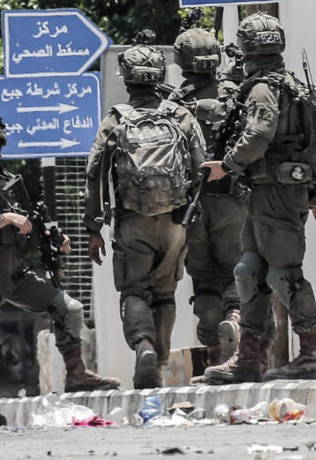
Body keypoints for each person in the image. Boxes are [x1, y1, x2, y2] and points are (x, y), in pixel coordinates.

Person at [202, 13, 316, 383]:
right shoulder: (281, 82)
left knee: (283, 273)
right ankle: (249, 358)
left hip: (277, 190)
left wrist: (225, 165)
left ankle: (311, 353)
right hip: (264, 190)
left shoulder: (262, 88)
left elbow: (258, 136)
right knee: (248, 271)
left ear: (246, 49)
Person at [0, 105, 120, 394]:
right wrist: (7, 219)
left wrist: (55, 237)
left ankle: (76, 373)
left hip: (17, 273)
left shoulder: (8, 181)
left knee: (68, 308)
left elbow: (32, 222)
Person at [84, 42, 204, 389]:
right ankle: (159, 362)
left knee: (134, 291)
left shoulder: (115, 120)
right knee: (165, 294)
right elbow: (202, 166)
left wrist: (93, 227)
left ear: (127, 78)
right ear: (160, 76)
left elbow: (94, 174)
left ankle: (144, 347)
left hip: (131, 221)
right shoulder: (180, 116)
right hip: (174, 222)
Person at [169, 27, 246, 366]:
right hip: (233, 199)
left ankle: (215, 352)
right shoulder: (236, 93)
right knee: (236, 270)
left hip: (192, 206)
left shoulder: (173, 103)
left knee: (203, 280)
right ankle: (236, 321)